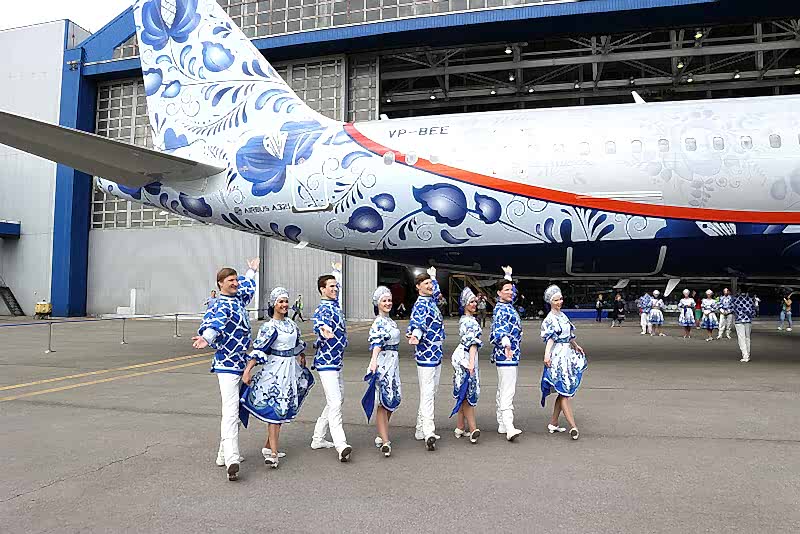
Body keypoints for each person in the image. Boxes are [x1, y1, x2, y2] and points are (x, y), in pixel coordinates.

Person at [192, 258, 259, 482]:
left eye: (235, 280)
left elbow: (248, 286)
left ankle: (223, 454)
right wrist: (206, 338)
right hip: (227, 365)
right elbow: (215, 324)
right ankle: (232, 458)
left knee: (237, 408)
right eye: (230, 281)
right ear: (220, 283)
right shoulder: (220, 305)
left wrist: (251, 271)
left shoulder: (239, 299)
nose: (235, 284)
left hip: (242, 363)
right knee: (230, 410)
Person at [240, 287, 314, 469]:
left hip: (290, 370)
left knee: (281, 410)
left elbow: (297, 343)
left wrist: (301, 355)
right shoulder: (269, 327)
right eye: (280, 302)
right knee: (276, 411)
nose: (284, 305)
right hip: (275, 371)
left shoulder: (291, 324)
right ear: (273, 304)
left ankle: (268, 447)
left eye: (286, 301)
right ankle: (273, 454)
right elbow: (259, 349)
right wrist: (247, 370)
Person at [310, 262, 352, 462]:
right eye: (331, 286)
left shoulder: (335, 305)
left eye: (336, 286)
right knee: (335, 402)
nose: (335, 289)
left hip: (336, 361)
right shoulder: (322, 309)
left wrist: (337, 272)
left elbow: (338, 291)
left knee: (338, 399)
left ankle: (318, 437)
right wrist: (323, 330)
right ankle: (341, 444)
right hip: (326, 362)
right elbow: (319, 322)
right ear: (322, 290)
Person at [540, 284, 588, 441]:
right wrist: (547, 356)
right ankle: (573, 426)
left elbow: (569, 335)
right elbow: (550, 339)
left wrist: (576, 345)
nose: (559, 302)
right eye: (556, 300)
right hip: (558, 356)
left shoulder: (562, 316)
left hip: (567, 353)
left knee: (563, 392)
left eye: (560, 299)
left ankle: (553, 423)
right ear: (550, 302)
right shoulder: (550, 319)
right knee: (565, 392)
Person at [407, 266, 445, 451]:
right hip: (426, 354)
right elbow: (418, 324)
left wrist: (433, 276)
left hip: (436, 353)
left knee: (432, 391)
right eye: (426, 284)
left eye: (430, 283)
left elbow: (437, 291)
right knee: (428, 392)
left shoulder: (432, 301)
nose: (430, 286)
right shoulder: (421, 305)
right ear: (418, 287)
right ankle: (429, 431)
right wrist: (415, 335)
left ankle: (420, 428)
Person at [364, 286, 402, 458]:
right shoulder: (379, 322)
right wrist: (373, 362)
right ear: (377, 304)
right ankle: (385, 441)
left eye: (389, 300)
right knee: (382, 401)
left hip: (393, 363)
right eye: (384, 301)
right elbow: (377, 343)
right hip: (383, 363)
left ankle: (381, 433)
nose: (387, 303)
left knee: (392, 400)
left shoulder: (391, 321)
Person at [489, 266, 523, 441]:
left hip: (511, 353)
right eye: (507, 290)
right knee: (508, 389)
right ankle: (509, 425)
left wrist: (508, 276)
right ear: (499, 293)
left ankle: (502, 423)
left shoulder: (507, 305)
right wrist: (506, 343)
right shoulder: (501, 309)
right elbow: (500, 330)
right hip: (506, 353)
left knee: (504, 387)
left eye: (511, 289)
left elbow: (513, 292)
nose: (511, 292)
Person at [452, 287, 482, 445]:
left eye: (475, 301)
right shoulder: (469, 322)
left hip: (467, 357)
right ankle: (473, 428)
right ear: (464, 304)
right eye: (471, 302)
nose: (474, 304)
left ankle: (460, 426)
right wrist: (471, 363)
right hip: (466, 358)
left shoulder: (467, 320)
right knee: (468, 391)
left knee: (464, 392)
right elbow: (472, 345)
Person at [732, 287, 756, 362]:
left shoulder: (735, 299)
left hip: (739, 320)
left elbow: (733, 309)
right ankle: (747, 354)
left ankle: (745, 355)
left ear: (739, 291)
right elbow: (753, 312)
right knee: (747, 338)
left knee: (741, 338)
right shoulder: (750, 299)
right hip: (748, 320)